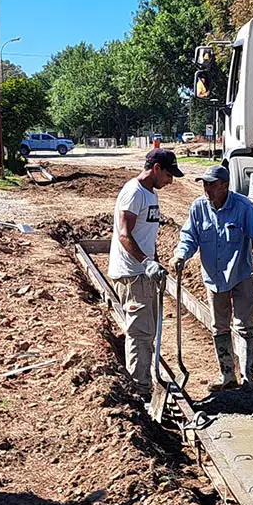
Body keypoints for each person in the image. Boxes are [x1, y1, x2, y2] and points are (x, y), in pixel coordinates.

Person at [171, 165, 253, 390]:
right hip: (214, 279)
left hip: (241, 275)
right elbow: (189, 237)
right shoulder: (199, 208)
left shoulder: (243, 207)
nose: (207, 189)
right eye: (204, 184)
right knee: (219, 326)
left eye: (212, 185)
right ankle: (227, 375)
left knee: (245, 327)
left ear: (225, 185)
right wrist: (181, 254)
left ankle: (247, 377)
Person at [108, 147, 183, 394]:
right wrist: (146, 262)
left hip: (144, 273)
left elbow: (146, 236)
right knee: (140, 333)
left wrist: (155, 262)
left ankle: (143, 383)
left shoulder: (151, 194)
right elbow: (124, 234)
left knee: (149, 331)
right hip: (132, 274)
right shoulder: (134, 192)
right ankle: (139, 390)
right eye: (168, 175)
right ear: (156, 168)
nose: (170, 181)